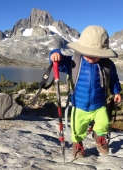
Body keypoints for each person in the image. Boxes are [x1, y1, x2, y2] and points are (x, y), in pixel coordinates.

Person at [49, 25, 122, 158]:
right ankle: (77, 144)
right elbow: (58, 62)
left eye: (96, 55)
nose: (91, 57)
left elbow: (113, 80)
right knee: (77, 129)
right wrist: (54, 53)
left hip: (99, 104)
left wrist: (117, 91)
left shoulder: (107, 65)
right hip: (79, 105)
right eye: (88, 53)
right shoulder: (74, 61)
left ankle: (99, 136)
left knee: (104, 123)